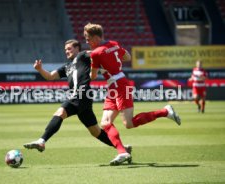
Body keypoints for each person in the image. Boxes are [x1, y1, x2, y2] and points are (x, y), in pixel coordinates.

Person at [83, 23, 181, 165]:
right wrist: (108, 59)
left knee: (128, 124)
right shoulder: (114, 44)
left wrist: (92, 60)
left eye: (88, 38)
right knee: (105, 123)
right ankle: (122, 152)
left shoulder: (96, 53)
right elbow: (127, 57)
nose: (86, 41)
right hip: (115, 85)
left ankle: (165, 112)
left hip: (120, 86)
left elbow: (92, 76)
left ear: (97, 37)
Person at [23, 39, 131, 163]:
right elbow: (50, 76)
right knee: (95, 131)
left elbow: (99, 53)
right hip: (82, 98)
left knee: (60, 113)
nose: (67, 52)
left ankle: (42, 141)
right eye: (65, 50)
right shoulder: (67, 66)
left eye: (69, 49)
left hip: (81, 95)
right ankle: (123, 148)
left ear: (77, 48)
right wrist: (40, 69)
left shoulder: (83, 55)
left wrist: (114, 54)